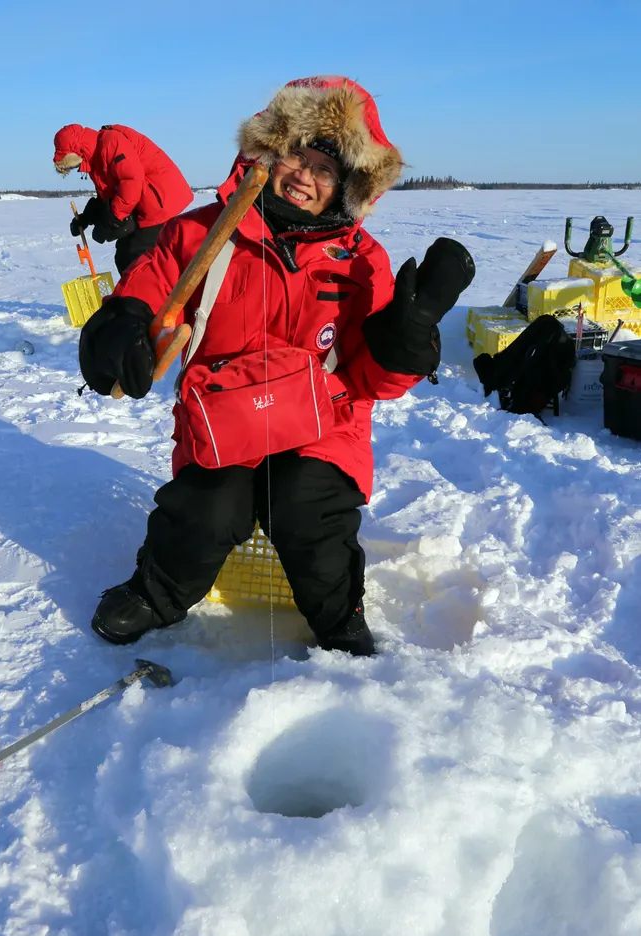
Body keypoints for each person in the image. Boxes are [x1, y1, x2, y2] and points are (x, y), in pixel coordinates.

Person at [78, 76, 475, 656]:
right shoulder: (201, 232)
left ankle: (340, 617)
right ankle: (157, 592)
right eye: (296, 154)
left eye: (326, 169)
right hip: (223, 415)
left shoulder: (363, 262)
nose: (304, 177)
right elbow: (149, 289)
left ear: (350, 185)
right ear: (266, 151)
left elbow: (372, 382)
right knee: (206, 508)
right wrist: (118, 325)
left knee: (309, 508)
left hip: (324, 422)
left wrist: (406, 344)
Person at [53, 123, 193, 275]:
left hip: (161, 200)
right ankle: (140, 295)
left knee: (135, 256)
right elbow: (108, 194)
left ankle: (146, 296)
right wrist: (88, 217)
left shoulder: (111, 142)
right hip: (143, 203)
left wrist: (114, 217)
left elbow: (131, 180)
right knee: (125, 256)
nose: (77, 169)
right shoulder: (97, 158)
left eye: (74, 165)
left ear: (79, 151)